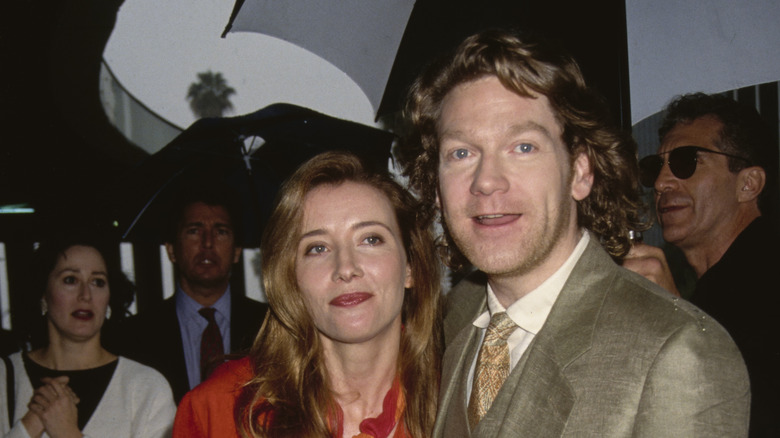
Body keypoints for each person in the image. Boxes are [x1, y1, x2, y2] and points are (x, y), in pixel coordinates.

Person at [396, 29, 750, 437]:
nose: (486, 181)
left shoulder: (677, 353)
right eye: (461, 153)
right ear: (437, 189)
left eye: (523, 147)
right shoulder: (451, 319)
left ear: (580, 172)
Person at [172, 151, 442, 437]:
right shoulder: (220, 409)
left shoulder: (461, 401)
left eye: (371, 239)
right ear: (291, 278)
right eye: (318, 248)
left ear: (410, 266)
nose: (346, 268)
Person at [626, 92, 780, 436]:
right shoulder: (718, 287)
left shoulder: (768, 281)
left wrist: (676, 316)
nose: (662, 183)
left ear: (748, 183)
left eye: (685, 162)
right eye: (655, 168)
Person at [0, 232, 175, 437]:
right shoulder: (4, 377)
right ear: (43, 296)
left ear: (109, 300)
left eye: (98, 282)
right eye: (70, 279)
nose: (86, 295)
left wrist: (67, 432)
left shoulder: (146, 386)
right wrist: (28, 426)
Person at [115, 185, 269, 404]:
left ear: (236, 251)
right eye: (194, 231)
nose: (207, 243)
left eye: (221, 231)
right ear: (171, 250)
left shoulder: (269, 327)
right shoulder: (135, 335)